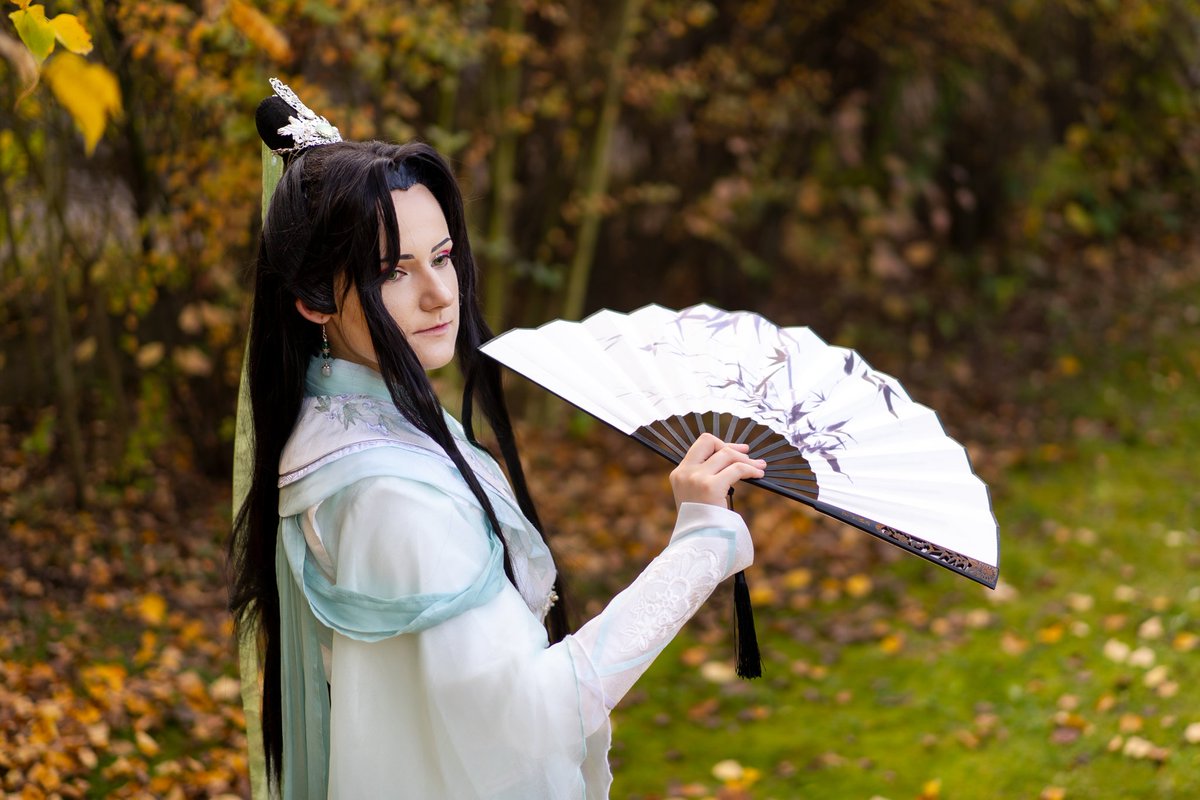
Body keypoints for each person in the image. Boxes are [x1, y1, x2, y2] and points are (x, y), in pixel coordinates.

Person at [229, 81, 765, 800]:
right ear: (314, 299)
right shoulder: (391, 497)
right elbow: (531, 721)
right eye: (393, 271)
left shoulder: (338, 423)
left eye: (442, 256)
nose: (440, 294)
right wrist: (699, 549)